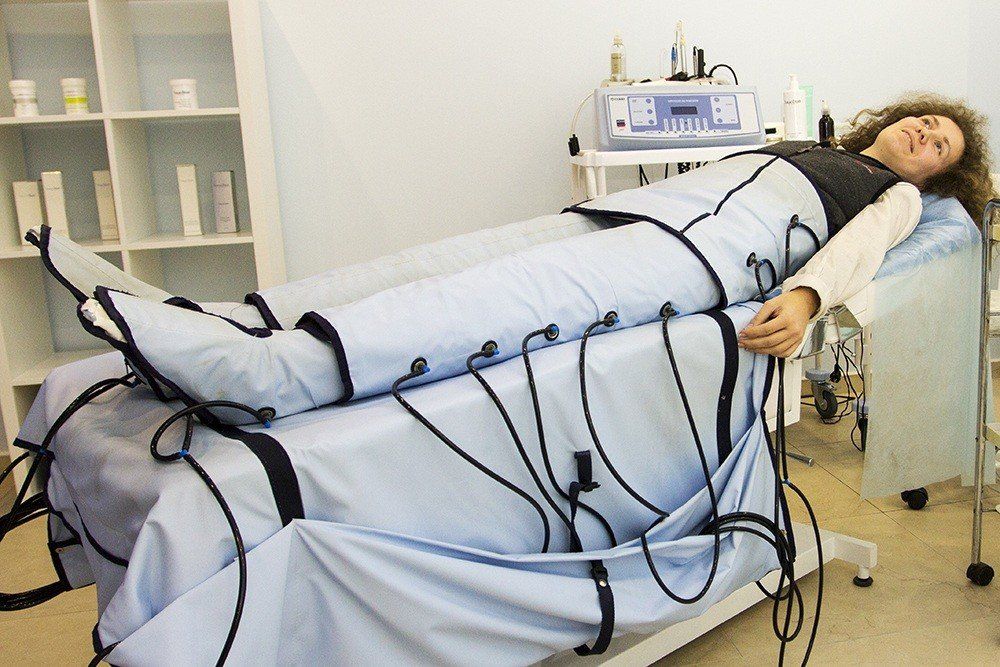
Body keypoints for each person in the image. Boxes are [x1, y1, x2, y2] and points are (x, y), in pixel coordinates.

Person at [739, 93, 993, 357]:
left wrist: (805, 297)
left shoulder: (899, 196)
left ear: (930, 182)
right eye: (926, 122)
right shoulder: (812, 149)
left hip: (741, 245)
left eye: (938, 146)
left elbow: (856, 246)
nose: (924, 133)